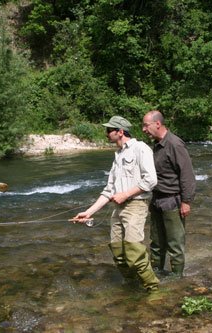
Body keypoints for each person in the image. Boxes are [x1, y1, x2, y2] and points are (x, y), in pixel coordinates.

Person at [71, 115, 160, 293]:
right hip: (118, 209)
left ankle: (154, 289)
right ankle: (132, 286)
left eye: (109, 130)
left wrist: (126, 194)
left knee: (134, 252)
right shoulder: (118, 156)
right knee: (118, 254)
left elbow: (151, 180)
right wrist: (88, 213)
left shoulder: (140, 148)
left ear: (120, 132)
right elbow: (109, 190)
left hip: (136, 205)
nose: (106, 134)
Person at [142, 110, 196, 278]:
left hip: (172, 201)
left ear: (157, 124)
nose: (144, 129)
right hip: (157, 200)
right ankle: (156, 273)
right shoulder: (156, 144)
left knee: (175, 244)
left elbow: (187, 175)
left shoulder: (175, 144)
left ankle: (176, 279)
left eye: (146, 125)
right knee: (156, 243)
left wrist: (186, 202)